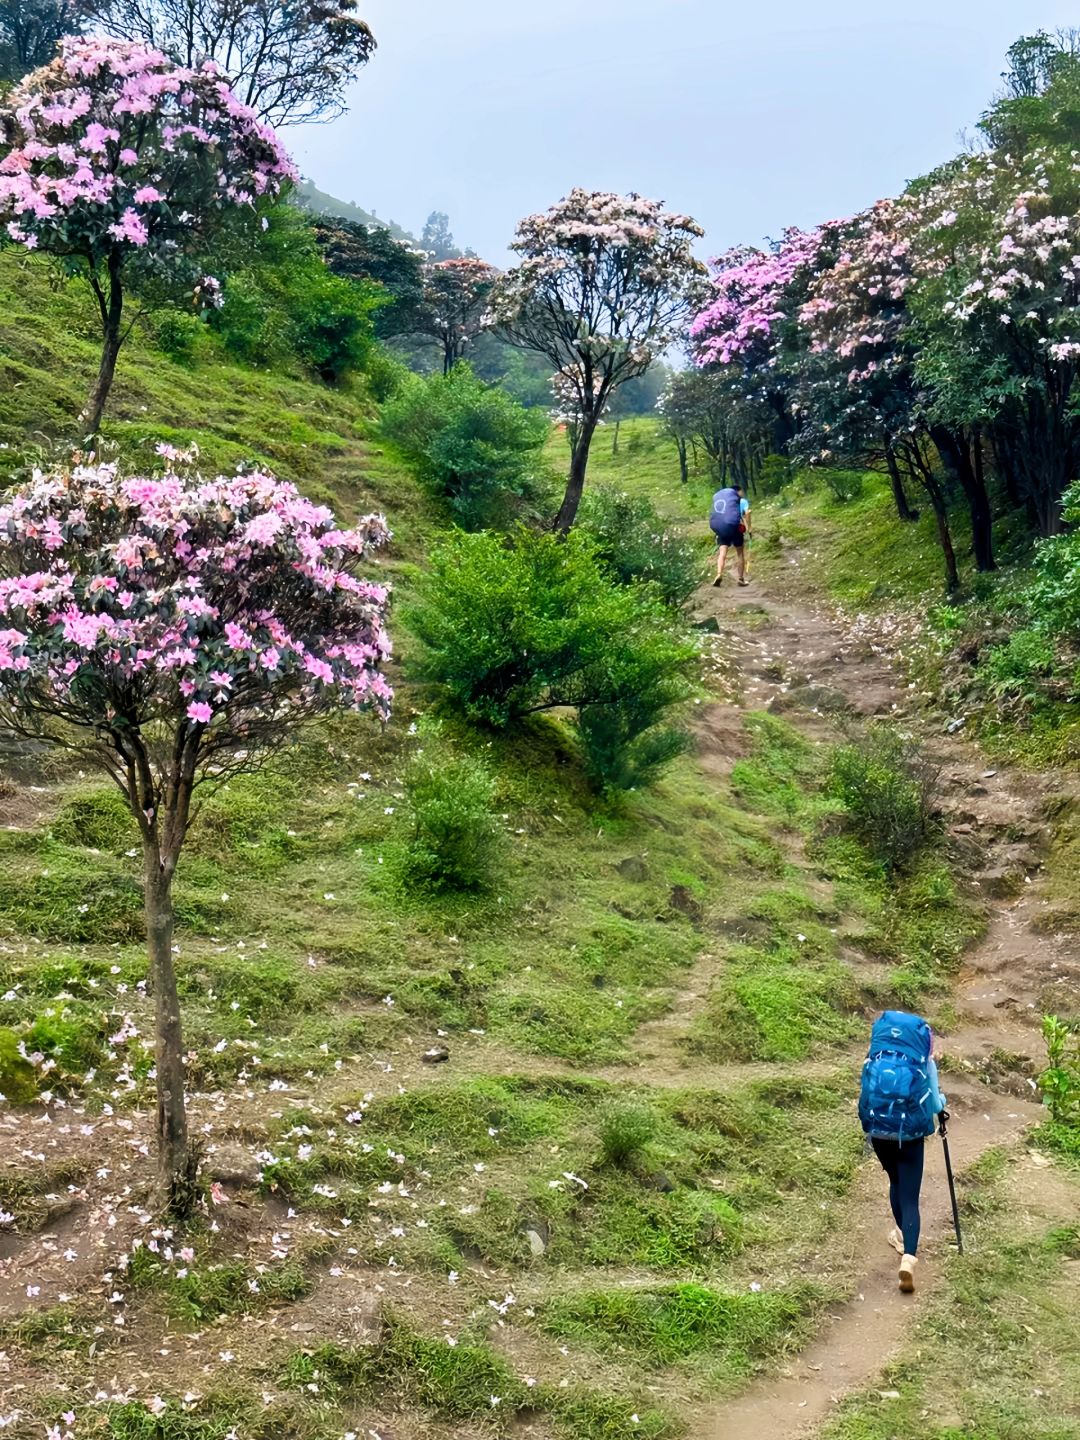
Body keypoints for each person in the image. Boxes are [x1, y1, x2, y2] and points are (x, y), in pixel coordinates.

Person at [858, 1010, 947, 1293]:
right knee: (910, 1197)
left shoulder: (874, 1059)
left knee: (895, 1181)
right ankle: (908, 1257)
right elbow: (934, 1104)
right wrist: (942, 1104)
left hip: (879, 1131)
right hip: (909, 1134)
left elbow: (864, 1097)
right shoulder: (923, 1065)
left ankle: (898, 1233)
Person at [709, 484, 747, 587]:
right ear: (737, 491)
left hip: (721, 528)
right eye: (741, 492)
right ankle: (741, 579)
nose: (742, 494)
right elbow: (742, 514)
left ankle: (719, 574)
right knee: (740, 553)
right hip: (734, 527)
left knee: (722, 553)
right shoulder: (738, 499)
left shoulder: (725, 500)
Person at [737, 486, 752, 579]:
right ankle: (741, 577)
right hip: (739, 525)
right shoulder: (743, 501)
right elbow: (747, 513)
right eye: (741, 491)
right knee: (740, 552)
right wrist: (749, 528)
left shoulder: (730, 502)